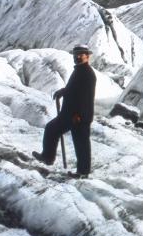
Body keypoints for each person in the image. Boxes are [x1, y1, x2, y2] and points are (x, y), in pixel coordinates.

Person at [32, 44, 96, 177]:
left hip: (77, 115)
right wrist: (64, 91)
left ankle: (82, 172)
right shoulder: (80, 70)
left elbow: (85, 97)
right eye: (75, 54)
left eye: (80, 54)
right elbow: (74, 89)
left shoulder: (87, 74)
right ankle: (48, 157)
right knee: (56, 131)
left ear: (87, 56)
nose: (77, 57)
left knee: (80, 141)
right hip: (70, 113)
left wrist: (79, 115)